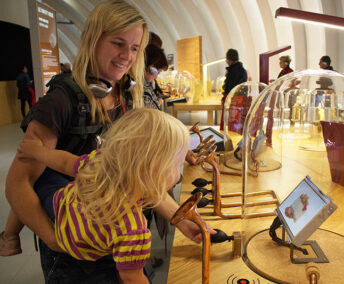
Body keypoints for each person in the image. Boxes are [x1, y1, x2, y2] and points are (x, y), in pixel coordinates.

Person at [3, 0, 205, 282]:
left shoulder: (132, 97)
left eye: (135, 48)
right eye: (118, 43)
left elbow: (139, 175)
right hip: (74, 256)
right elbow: (17, 184)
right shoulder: (60, 102)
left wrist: (179, 217)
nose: (127, 56)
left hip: (122, 244)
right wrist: (54, 240)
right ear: (92, 39)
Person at [16, 108, 203, 284]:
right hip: (70, 233)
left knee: (41, 179)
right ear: (152, 169)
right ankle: (9, 236)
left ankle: (10, 233)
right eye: (176, 165)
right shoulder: (134, 230)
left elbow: (65, 163)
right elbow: (131, 278)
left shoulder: (99, 164)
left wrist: (36, 151)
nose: (178, 175)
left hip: (60, 205)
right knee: (29, 181)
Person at [220, 48, 248, 130]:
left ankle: (226, 139)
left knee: (227, 120)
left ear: (229, 59)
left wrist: (224, 98)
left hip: (231, 98)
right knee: (236, 121)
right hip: (240, 99)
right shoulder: (242, 70)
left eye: (226, 59)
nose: (226, 61)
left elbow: (229, 86)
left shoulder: (232, 71)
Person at [143, 44, 168, 110]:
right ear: (151, 69)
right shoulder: (141, 88)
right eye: (158, 73)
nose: (156, 76)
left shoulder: (147, 84)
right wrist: (157, 104)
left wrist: (156, 102)